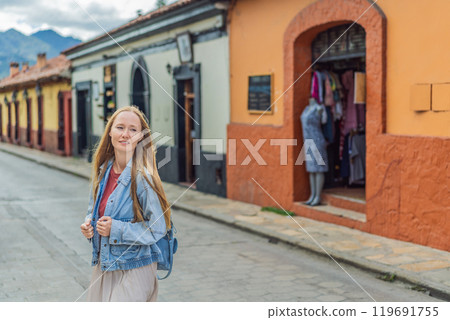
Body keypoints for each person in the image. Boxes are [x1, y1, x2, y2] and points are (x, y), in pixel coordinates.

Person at [80, 105, 171, 302]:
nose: (125, 134)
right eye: (120, 127)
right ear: (110, 132)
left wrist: (116, 228)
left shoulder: (143, 178)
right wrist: (89, 226)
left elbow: (158, 228)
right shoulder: (102, 172)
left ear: (140, 137)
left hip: (136, 267)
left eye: (133, 129)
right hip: (105, 265)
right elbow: (92, 212)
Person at [300, 98, 329, 206]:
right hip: (307, 141)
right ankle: (312, 195)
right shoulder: (306, 109)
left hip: (317, 140)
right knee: (311, 169)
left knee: (319, 168)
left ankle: (318, 196)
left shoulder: (319, 108)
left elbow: (324, 121)